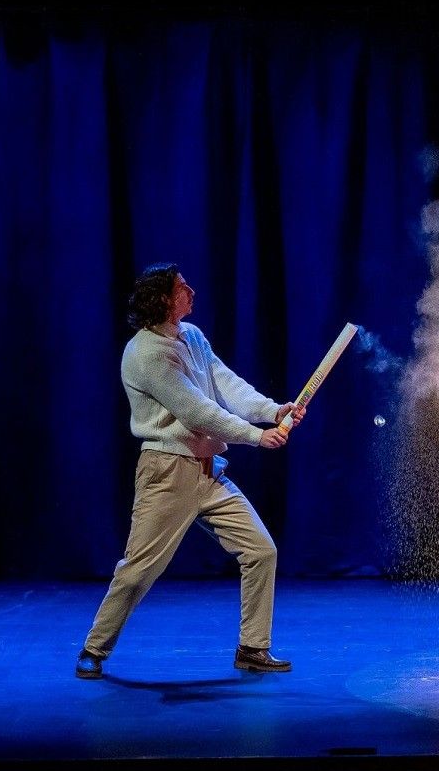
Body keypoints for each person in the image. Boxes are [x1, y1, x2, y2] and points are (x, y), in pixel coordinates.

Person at [75, 263, 306, 679]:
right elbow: (198, 412)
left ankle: (253, 647)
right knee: (139, 569)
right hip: (167, 473)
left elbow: (227, 384)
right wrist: (256, 437)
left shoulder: (192, 336)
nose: (192, 291)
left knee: (260, 550)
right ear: (164, 299)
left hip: (208, 471)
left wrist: (273, 411)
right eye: (182, 287)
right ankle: (94, 648)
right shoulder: (146, 353)